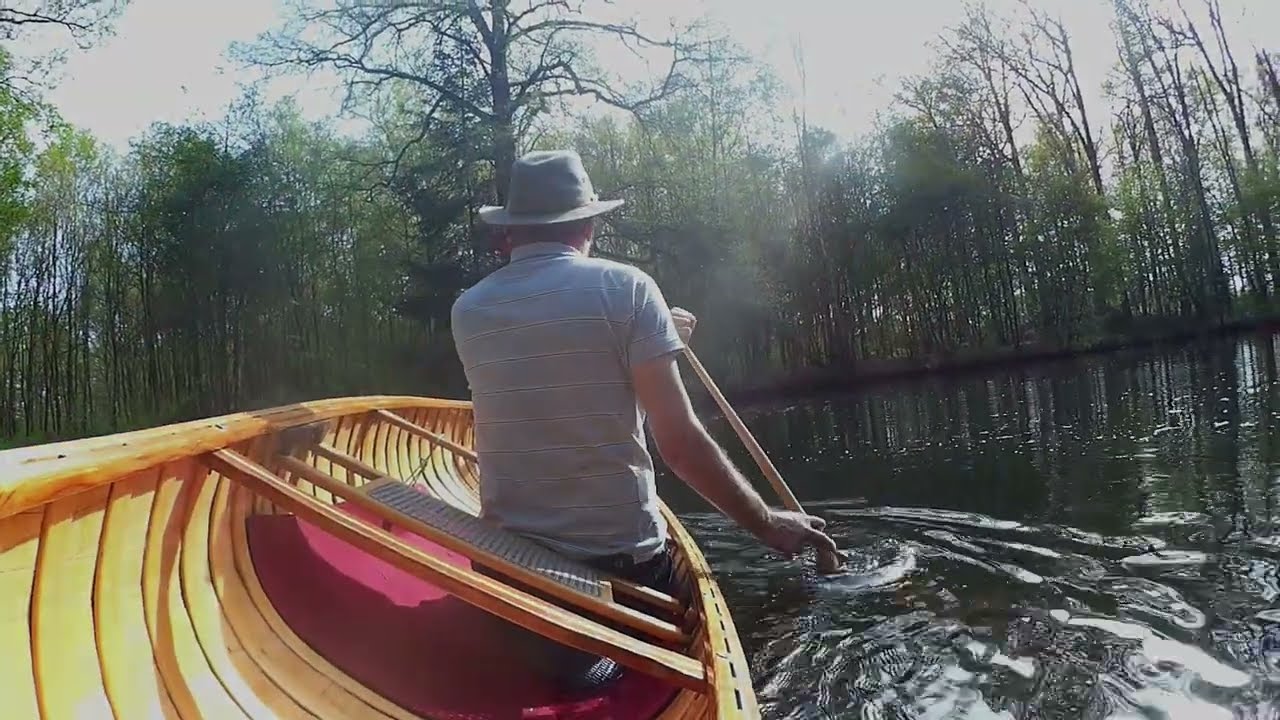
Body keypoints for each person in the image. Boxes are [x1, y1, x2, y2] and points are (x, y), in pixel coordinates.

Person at [449, 149, 838, 692]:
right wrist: (769, 525)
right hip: (622, 578)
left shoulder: (468, 310)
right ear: (587, 224)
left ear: (512, 231)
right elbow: (677, 447)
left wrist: (653, 331)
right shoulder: (629, 290)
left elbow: (559, 350)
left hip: (509, 577)